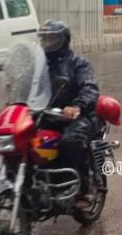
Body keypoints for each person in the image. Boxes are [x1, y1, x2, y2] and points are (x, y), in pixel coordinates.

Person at [37, 19, 100, 209]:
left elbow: (89, 88)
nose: (47, 42)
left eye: (52, 38)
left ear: (63, 40)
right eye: (44, 38)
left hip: (78, 117)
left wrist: (76, 106)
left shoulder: (78, 63)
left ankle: (86, 184)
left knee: (70, 140)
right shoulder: (39, 65)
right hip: (46, 115)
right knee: (19, 136)